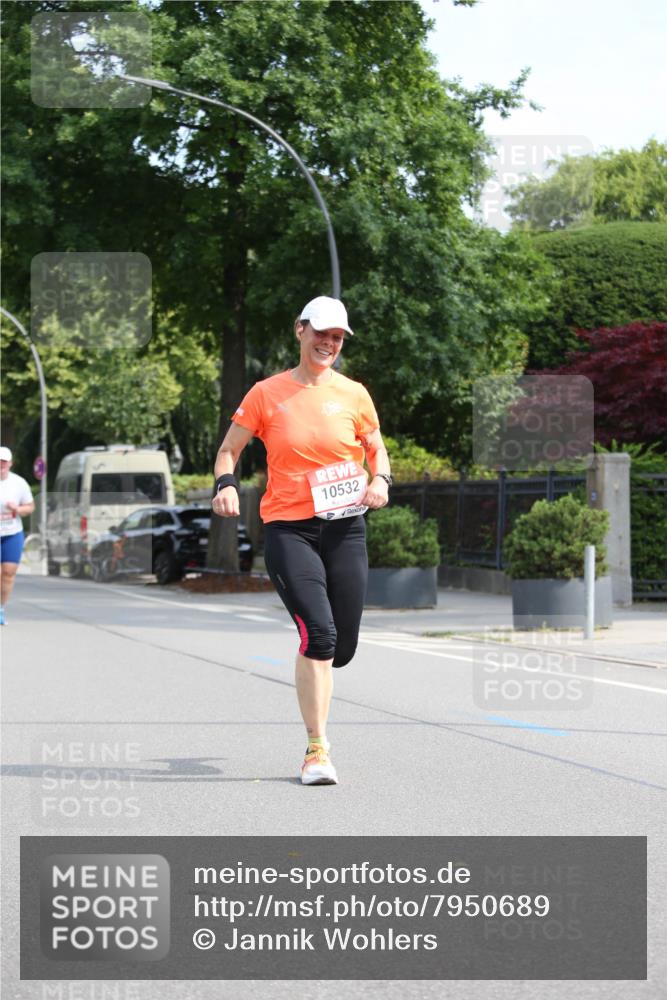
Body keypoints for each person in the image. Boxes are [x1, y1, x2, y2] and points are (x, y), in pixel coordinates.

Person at [212, 296, 392, 786]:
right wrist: (225, 485)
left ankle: (319, 681)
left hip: (345, 527)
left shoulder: (354, 394)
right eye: (321, 333)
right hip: (290, 529)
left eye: (337, 337)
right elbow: (229, 451)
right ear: (300, 331)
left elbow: (376, 449)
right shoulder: (267, 394)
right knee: (321, 635)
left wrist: (382, 481)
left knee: (344, 645)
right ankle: (317, 750)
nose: (329, 343)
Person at [0, 446, 36, 624]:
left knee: (8, 573)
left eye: (4, 462)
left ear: (10, 463)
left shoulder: (19, 483)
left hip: (12, 533)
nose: (1, 465)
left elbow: (30, 507)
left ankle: (1, 608)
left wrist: (18, 509)